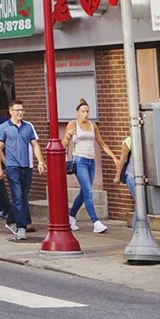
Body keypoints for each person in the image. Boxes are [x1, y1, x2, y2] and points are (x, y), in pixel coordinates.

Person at [0, 100, 44, 241]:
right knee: (17, 196)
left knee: (23, 197)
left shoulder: (28, 127)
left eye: (22, 110)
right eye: (17, 110)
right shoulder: (4, 127)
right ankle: (21, 227)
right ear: (10, 111)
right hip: (12, 166)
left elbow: (35, 145)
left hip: (26, 166)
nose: (20, 113)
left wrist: (40, 161)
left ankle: (10, 220)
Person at [63, 99, 109, 233]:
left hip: (91, 161)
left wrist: (113, 157)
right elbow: (64, 144)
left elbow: (102, 143)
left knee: (84, 192)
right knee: (88, 191)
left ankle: (71, 216)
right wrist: (68, 136)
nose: (86, 114)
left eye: (87, 111)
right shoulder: (72, 124)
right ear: (77, 112)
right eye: (83, 111)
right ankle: (96, 222)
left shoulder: (93, 125)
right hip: (79, 161)